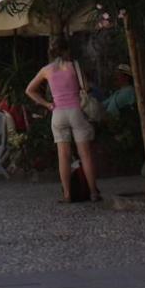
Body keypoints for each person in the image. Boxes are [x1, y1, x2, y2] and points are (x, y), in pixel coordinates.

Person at [25, 37, 101, 204]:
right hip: (76, 111)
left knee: (63, 156)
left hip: (57, 113)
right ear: (67, 50)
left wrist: (47, 104)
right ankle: (94, 192)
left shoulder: (46, 70)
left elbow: (29, 90)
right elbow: (86, 88)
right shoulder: (74, 66)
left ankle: (67, 194)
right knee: (85, 154)